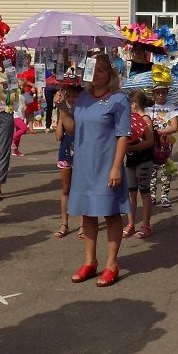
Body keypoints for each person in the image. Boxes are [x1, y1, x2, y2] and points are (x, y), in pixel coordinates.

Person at [68, 53, 130, 287]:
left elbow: (123, 135)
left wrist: (116, 167)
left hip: (106, 163)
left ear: (110, 74)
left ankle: (112, 264)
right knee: (88, 213)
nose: (95, 76)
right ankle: (89, 261)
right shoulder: (82, 98)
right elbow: (74, 129)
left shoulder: (119, 100)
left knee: (111, 213)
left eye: (100, 71)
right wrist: (64, 109)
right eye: (92, 70)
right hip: (83, 164)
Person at [123, 91, 156, 238]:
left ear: (134, 104)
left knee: (144, 192)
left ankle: (146, 224)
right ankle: (131, 223)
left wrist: (131, 147)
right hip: (130, 160)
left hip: (144, 161)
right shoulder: (129, 119)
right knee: (131, 193)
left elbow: (150, 142)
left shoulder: (145, 119)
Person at [51, 78, 79, 239]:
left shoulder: (82, 113)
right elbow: (58, 136)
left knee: (80, 189)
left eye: (74, 97)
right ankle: (64, 223)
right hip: (65, 153)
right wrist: (61, 118)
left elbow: (75, 132)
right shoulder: (62, 113)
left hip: (80, 154)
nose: (71, 99)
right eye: (68, 97)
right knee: (66, 189)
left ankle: (83, 225)